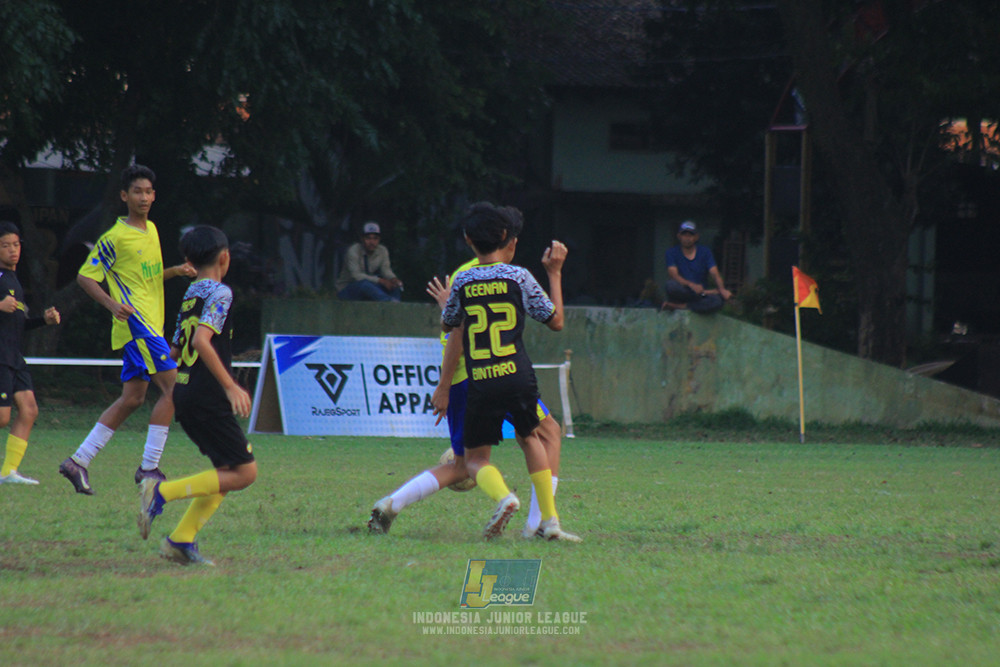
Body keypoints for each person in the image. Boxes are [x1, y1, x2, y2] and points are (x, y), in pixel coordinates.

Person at [368, 233, 565, 539]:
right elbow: (458, 335)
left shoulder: (471, 274)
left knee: (474, 460)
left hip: (475, 377)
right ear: (507, 242)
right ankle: (539, 525)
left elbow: (455, 326)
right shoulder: (489, 275)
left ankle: (391, 504)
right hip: (481, 375)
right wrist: (444, 386)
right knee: (501, 450)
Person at [431, 202, 580, 542]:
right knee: (532, 438)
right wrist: (555, 273)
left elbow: (448, 323)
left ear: (468, 239)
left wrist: (447, 306)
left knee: (474, 460)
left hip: (481, 380)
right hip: (518, 375)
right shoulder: (520, 276)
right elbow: (555, 321)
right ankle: (550, 521)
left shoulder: (463, 281)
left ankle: (504, 496)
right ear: (505, 238)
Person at [59, 164, 196, 495]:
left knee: (133, 398)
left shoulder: (152, 230)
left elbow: (145, 278)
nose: (145, 197)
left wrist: (175, 271)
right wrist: (111, 305)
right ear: (124, 196)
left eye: (149, 191)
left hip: (151, 326)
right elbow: (85, 277)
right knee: (173, 390)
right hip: (139, 327)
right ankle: (149, 468)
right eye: (138, 191)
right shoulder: (115, 237)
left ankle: (78, 461)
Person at [138, 225, 255, 566]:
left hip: (186, 392)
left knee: (225, 470)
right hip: (207, 395)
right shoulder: (221, 293)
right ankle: (160, 492)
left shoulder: (191, 293)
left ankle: (181, 540)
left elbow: (175, 348)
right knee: (245, 473)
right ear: (225, 257)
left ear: (189, 260)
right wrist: (231, 385)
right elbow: (202, 341)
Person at [0, 222, 61, 485]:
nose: (13, 250)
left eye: (16, 244)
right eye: (5, 246)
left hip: (14, 357)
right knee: (2, 418)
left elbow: (18, 322)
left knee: (29, 409)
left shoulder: (14, 281)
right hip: (0, 357)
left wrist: (42, 321)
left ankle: (8, 472)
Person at [662, 220, 732, 313]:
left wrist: (722, 289)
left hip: (700, 295)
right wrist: (692, 286)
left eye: (690, 235)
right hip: (685, 291)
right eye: (684, 235)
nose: (687, 238)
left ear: (696, 237)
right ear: (679, 236)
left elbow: (714, 273)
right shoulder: (671, 253)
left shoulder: (705, 252)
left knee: (717, 301)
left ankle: (681, 306)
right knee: (670, 285)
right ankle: (699, 299)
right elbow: (674, 275)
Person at [335, 221, 403, 301]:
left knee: (394, 286)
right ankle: (389, 303)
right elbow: (356, 276)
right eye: (368, 238)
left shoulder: (382, 250)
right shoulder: (353, 250)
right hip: (348, 289)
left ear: (379, 239)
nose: (372, 242)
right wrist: (381, 281)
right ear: (362, 239)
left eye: (375, 238)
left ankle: (396, 306)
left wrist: (393, 279)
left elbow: (386, 270)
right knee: (364, 284)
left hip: (370, 286)